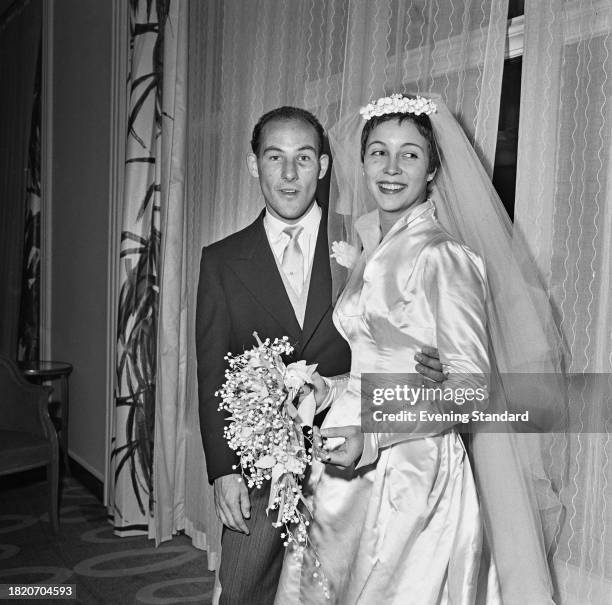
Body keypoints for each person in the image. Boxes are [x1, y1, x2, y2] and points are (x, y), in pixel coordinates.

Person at [274, 94, 565, 604]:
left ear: (432, 168)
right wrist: (328, 391)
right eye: (378, 152)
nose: (391, 168)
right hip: (343, 459)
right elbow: (374, 361)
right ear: (361, 162)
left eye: (409, 154)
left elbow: (470, 391)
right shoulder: (373, 249)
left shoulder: (444, 258)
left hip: (409, 473)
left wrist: (374, 431)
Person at [196, 106, 445, 605]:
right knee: (245, 588)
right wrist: (223, 469)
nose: (289, 175)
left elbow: (398, 329)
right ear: (254, 166)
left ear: (325, 166)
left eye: (304, 158)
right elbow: (211, 371)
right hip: (263, 463)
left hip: (352, 459)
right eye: (275, 158)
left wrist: (433, 364)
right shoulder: (221, 259)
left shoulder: (368, 238)